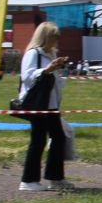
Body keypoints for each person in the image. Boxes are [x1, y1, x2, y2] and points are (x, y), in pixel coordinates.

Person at [17, 22, 74, 192]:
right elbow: (26, 77)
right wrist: (46, 70)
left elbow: (55, 82)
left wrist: (58, 67)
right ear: (45, 37)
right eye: (53, 37)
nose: (56, 40)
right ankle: (28, 180)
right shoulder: (33, 54)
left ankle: (55, 178)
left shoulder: (51, 54)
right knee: (38, 140)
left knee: (59, 138)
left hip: (51, 105)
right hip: (38, 105)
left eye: (57, 37)